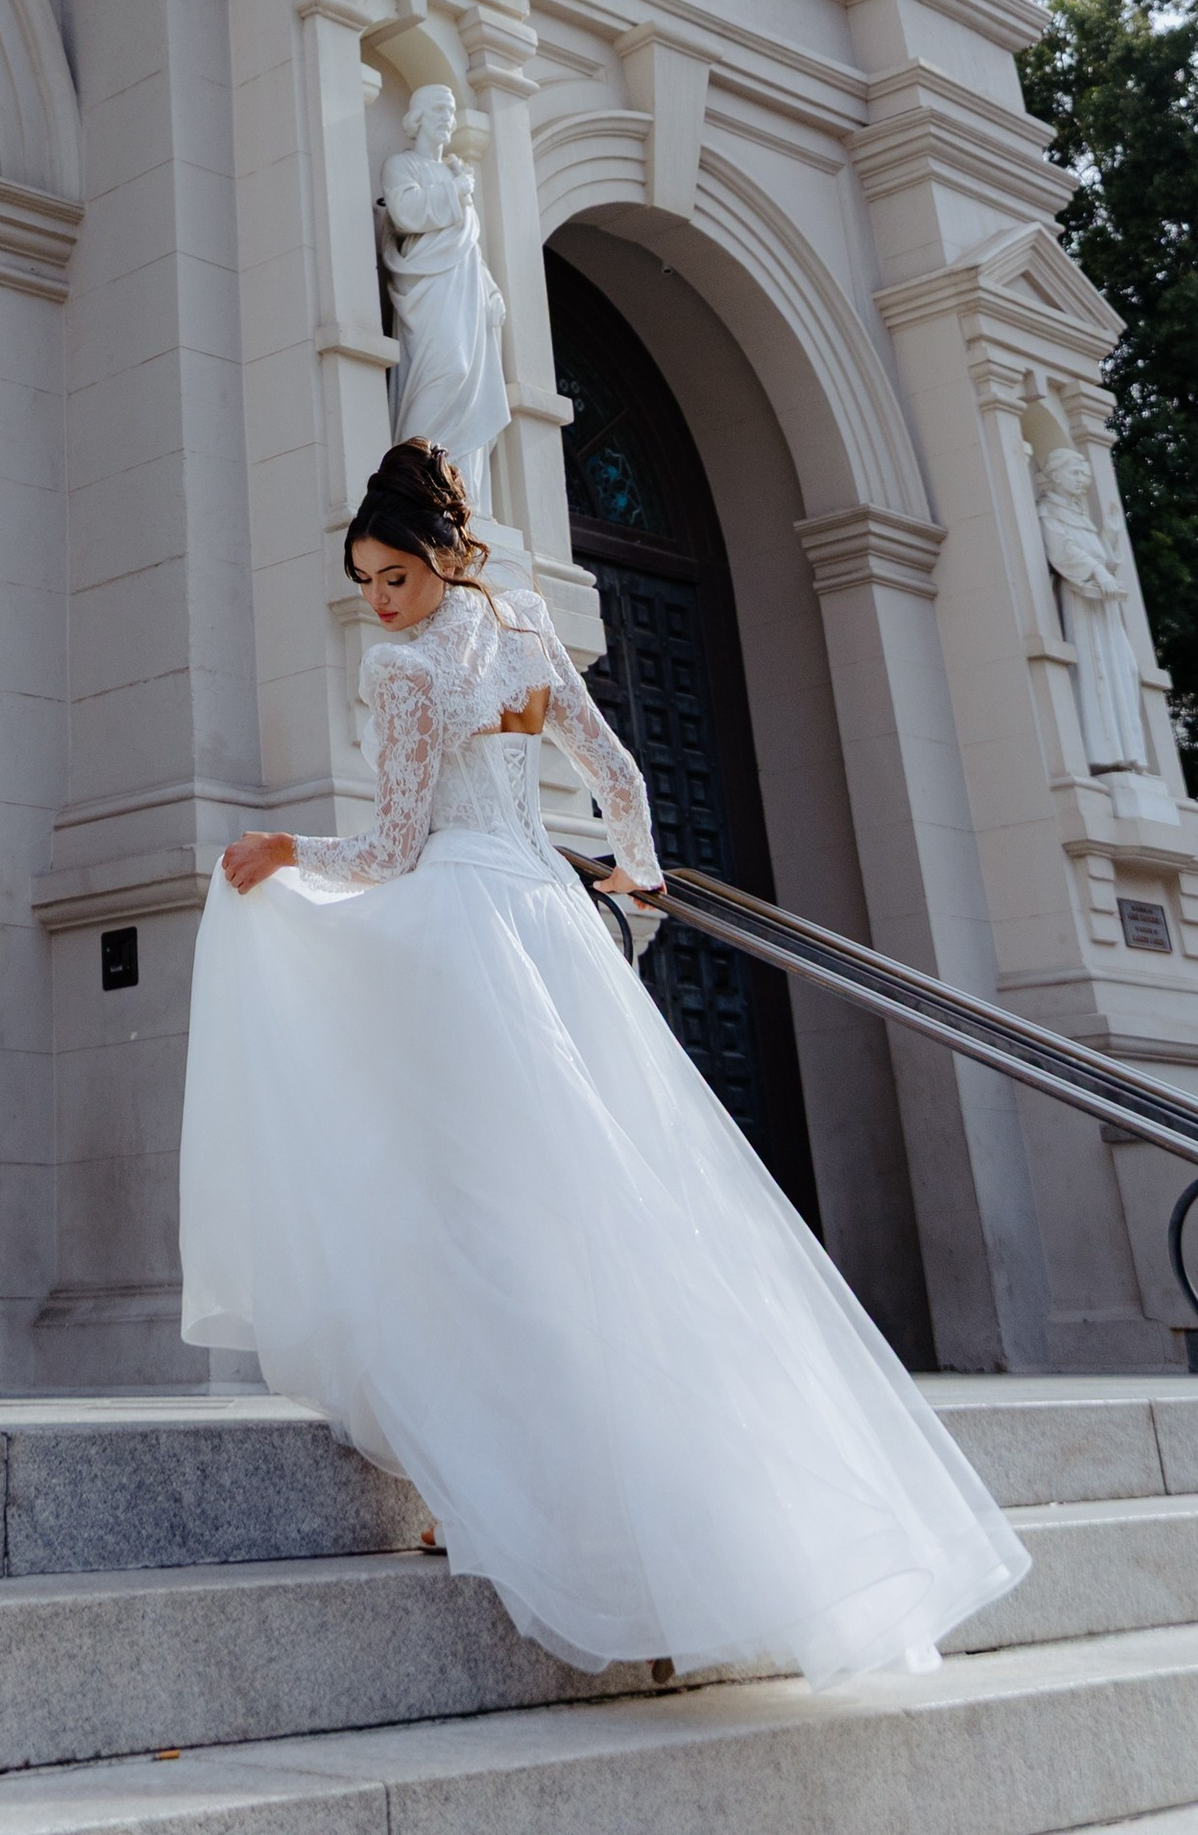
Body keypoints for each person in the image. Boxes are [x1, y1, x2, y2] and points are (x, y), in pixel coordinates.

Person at [179, 436, 1027, 1688]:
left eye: (391, 577)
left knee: (479, 1213)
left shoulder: (406, 671)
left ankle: (527, 1500)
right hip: (551, 924)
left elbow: (397, 847)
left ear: (436, 561)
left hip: (468, 932)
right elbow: (617, 773)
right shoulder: (520, 628)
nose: (378, 602)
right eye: (365, 583)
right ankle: (666, 1518)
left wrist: (282, 851)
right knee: (604, 1209)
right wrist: (632, 876)